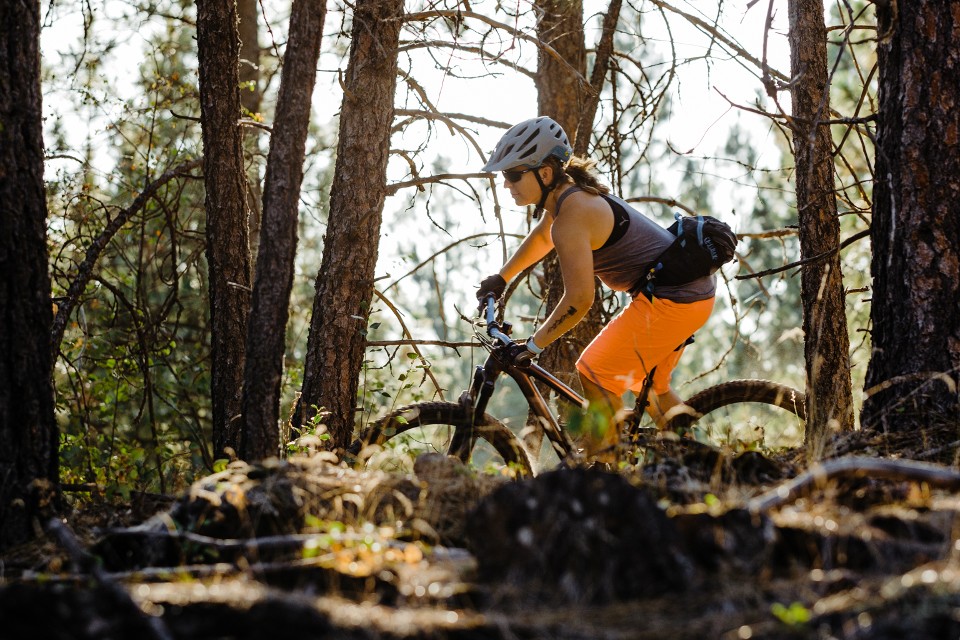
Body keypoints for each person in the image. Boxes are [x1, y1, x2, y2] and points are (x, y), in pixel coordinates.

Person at [475, 116, 716, 460]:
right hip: (688, 295)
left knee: (595, 370)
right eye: (504, 176)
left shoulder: (573, 215)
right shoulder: (567, 199)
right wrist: (502, 277)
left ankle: (608, 475)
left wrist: (533, 345)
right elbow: (543, 236)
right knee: (649, 386)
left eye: (514, 174)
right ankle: (704, 466)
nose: (506, 184)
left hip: (672, 300)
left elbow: (579, 300)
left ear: (545, 173)